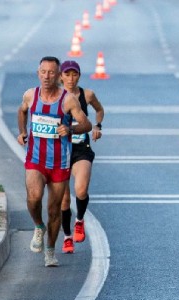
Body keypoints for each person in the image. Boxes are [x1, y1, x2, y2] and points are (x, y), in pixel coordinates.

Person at [17, 56, 92, 267]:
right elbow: (22, 111)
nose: (47, 76)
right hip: (36, 159)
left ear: (58, 75)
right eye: (43, 72)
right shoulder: (31, 95)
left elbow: (86, 124)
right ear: (38, 73)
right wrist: (22, 132)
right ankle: (38, 226)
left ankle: (50, 251)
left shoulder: (68, 99)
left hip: (60, 162)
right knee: (34, 197)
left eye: (51, 72)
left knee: (54, 209)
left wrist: (70, 129)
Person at [58, 60, 104, 254]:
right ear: (61, 76)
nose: (70, 78)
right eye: (66, 75)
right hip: (59, 150)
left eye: (74, 74)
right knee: (64, 200)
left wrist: (97, 126)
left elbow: (99, 110)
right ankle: (67, 237)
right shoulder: (54, 97)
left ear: (79, 76)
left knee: (81, 189)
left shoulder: (87, 95)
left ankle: (79, 221)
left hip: (81, 149)